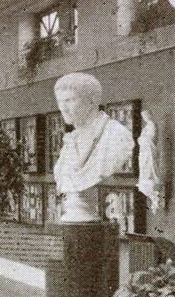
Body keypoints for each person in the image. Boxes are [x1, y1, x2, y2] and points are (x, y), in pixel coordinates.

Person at [52, 72, 135, 223]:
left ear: (91, 101)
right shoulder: (70, 141)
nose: (63, 108)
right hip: (74, 213)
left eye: (70, 100)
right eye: (60, 101)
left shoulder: (115, 135)